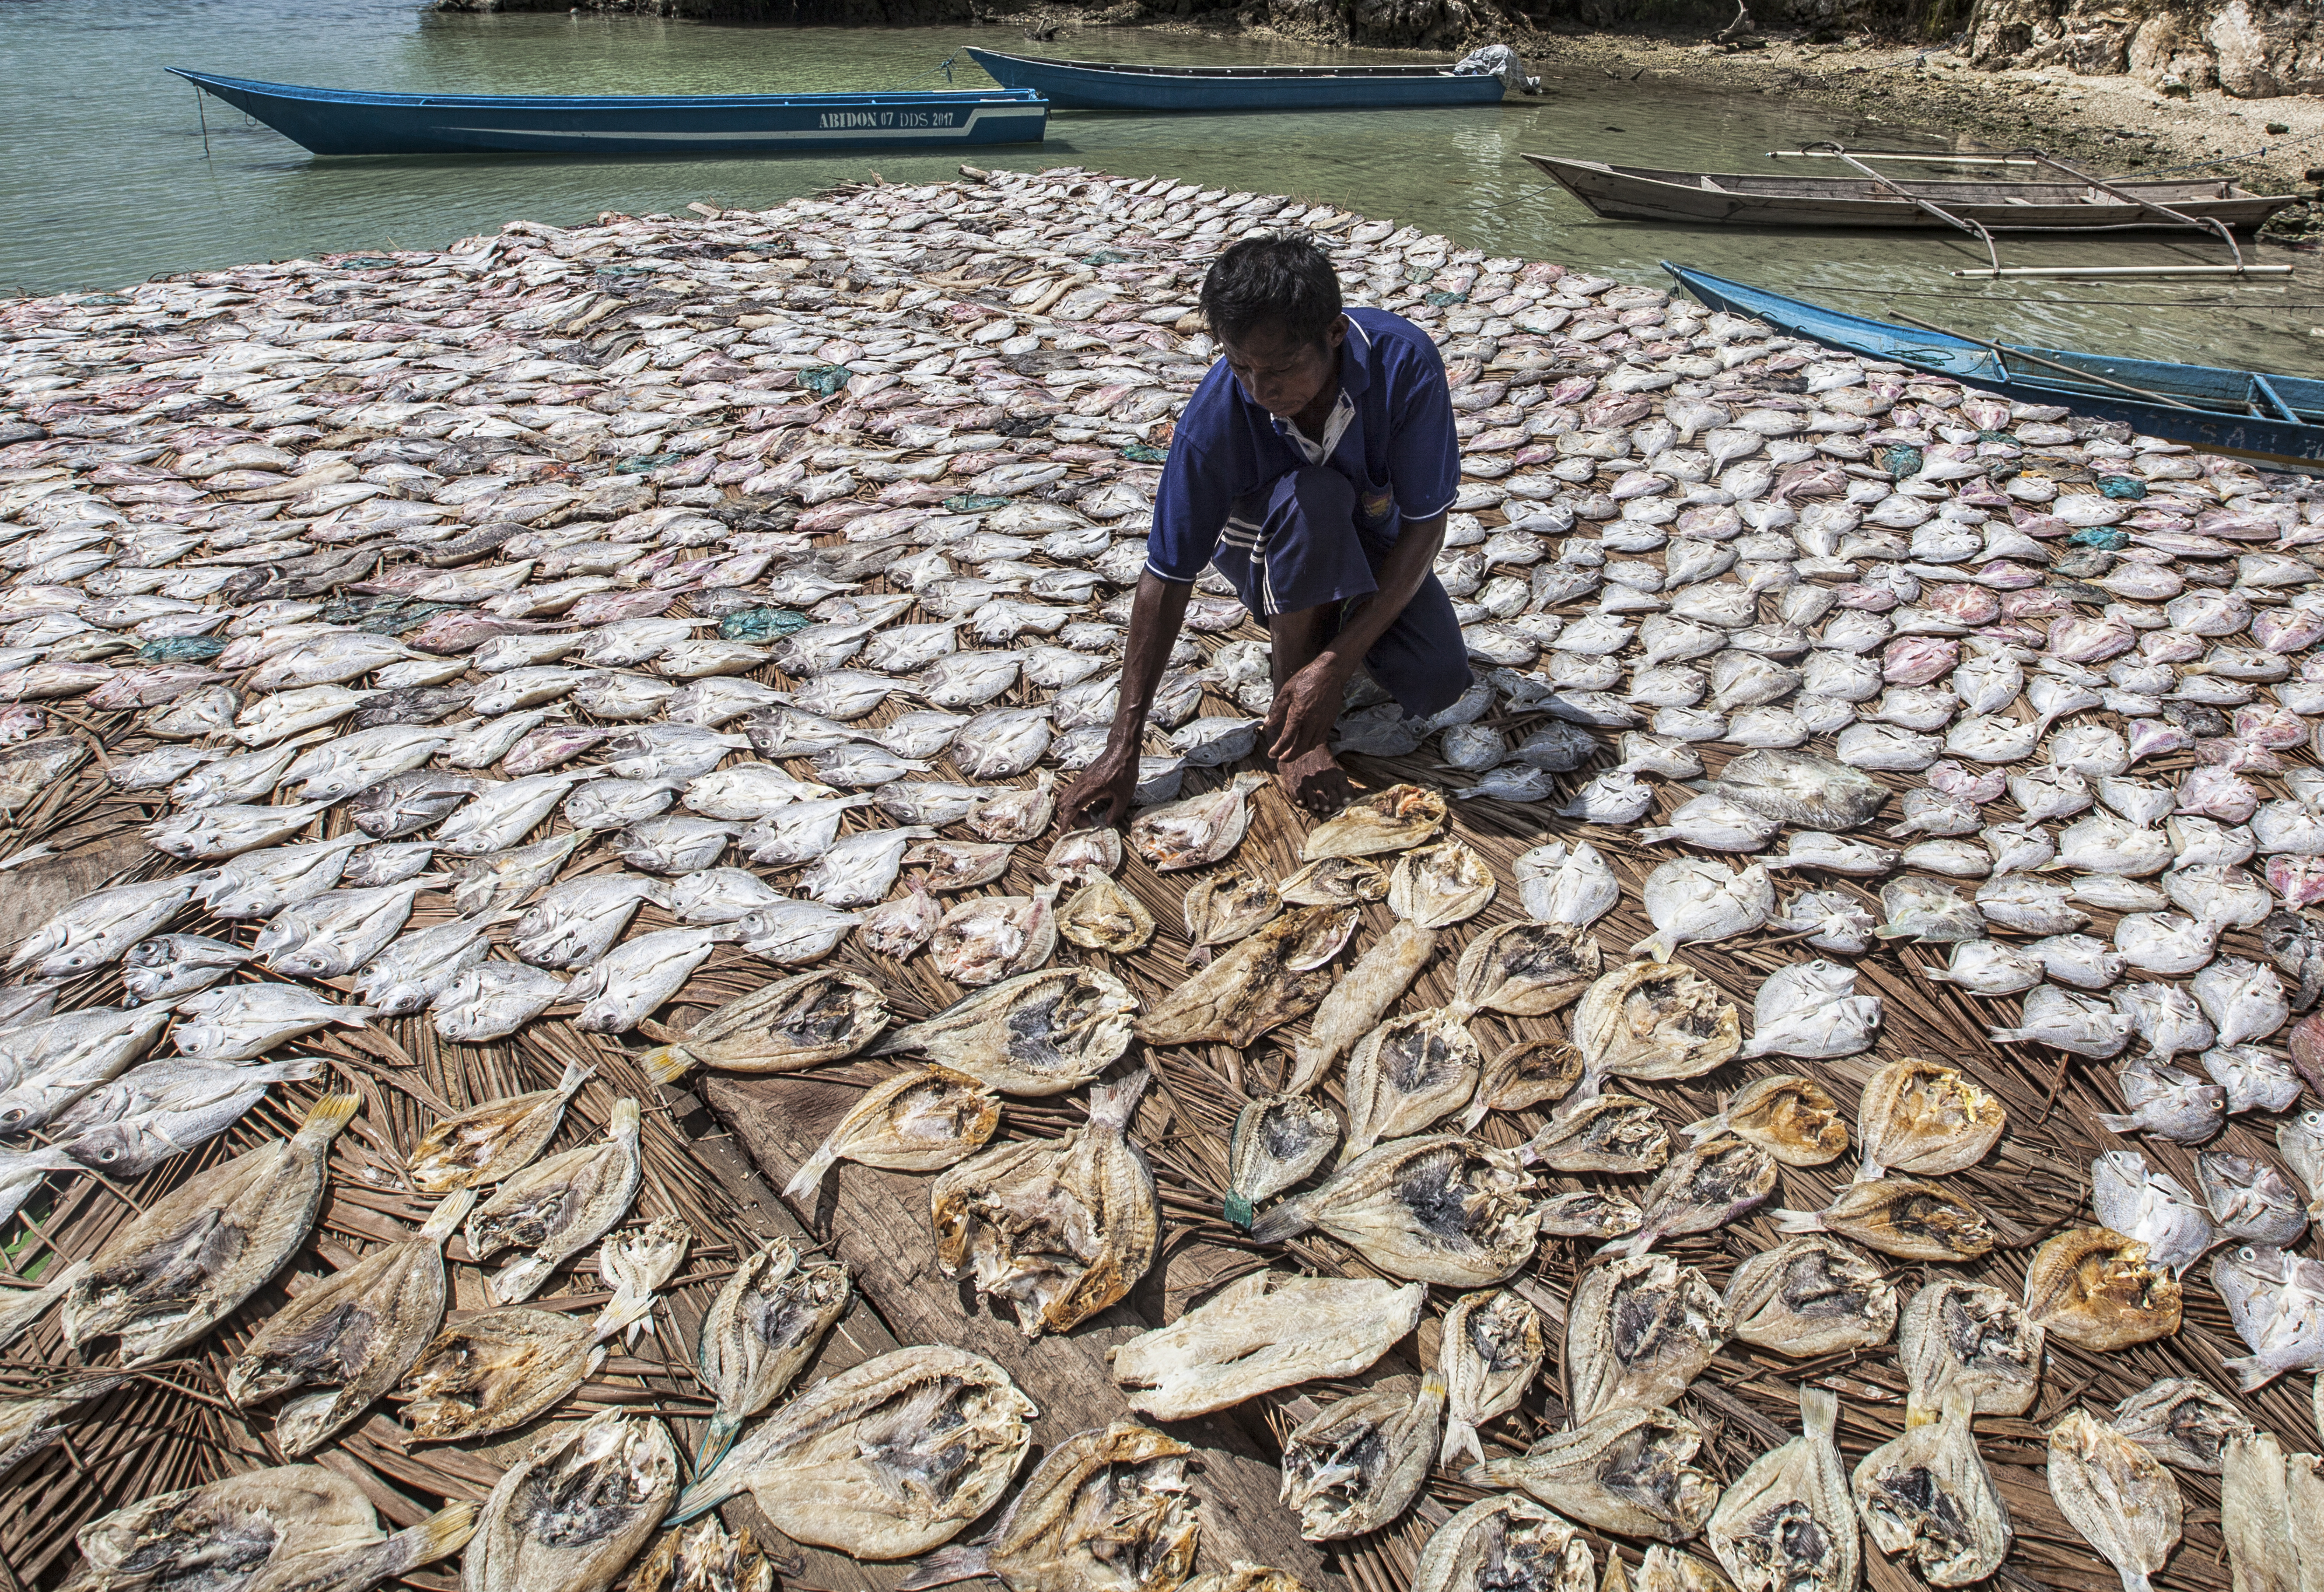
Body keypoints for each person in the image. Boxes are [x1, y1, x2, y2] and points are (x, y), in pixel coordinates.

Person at [1060, 230, 1472, 827]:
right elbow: (1167, 574)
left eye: (1281, 368)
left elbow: (1426, 529)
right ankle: (1293, 728)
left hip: (1372, 538)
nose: (1262, 391)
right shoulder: (1217, 415)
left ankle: (1322, 650)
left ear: (1333, 334)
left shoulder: (1404, 364)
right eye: (1242, 366)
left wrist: (1335, 666)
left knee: (1438, 681)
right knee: (1315, 498)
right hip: (1270, 544)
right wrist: (1124, 743)